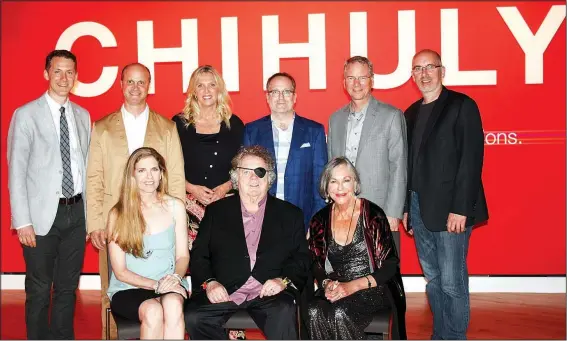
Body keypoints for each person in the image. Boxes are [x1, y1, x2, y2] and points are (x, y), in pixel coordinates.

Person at [86, 63, 186, 339]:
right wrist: (95, 222)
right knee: (114, 288)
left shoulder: (166, 126)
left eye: (141, 82)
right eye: (130, 81)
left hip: (159, 215)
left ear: (149, 86)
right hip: (114, 222)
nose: (135, 87)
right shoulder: (103, 127)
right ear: (121, 84)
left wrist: (174, 217)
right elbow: (93, 177)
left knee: (165, 304)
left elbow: (175, 175)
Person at [403, 49, 489, 340]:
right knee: (434, 281)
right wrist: (406, 206)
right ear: (412, 75)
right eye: (418, 69)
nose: (424, 73)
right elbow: (409, 165)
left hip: (452, 210)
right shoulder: (411, 112)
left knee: (452, 282)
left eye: (430, 67)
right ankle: (440, 335)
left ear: (442, 71)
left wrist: (461, 208)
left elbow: (471, 159)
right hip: (418, 207)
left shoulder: (462, 105)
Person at [7, 49, 91, 339]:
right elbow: (15, 171)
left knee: (68, 289)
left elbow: (86, 167)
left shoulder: (82, 115)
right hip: (42, 217)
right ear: (46, 74)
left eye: (69, 72)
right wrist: (22, 221)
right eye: (57, 71)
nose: (63, 78)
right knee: (40, 289)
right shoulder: (26, 115)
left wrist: (90, 217)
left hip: (76, 215)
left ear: (76, 77)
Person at [185, 145, 310, 340]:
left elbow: (301, 259)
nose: (253, 178)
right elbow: (200, 255)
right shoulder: (216, 212)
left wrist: (282, 281)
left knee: (285, 310)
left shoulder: (291, 214)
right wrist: (210, 283)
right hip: (225, 290)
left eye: (260, 172)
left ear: (269, 179)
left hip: (269, 293)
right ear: (235, 178)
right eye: (246, 172)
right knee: (194, 316)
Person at [306, 157, 407, 340]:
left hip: (371, 286)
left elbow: (390, 265)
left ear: (355, 183)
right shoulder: (319, 220)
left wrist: (352, 286)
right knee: (312, 311)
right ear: (326, 187)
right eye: (334, 182)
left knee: (340, 313)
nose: (340, 188)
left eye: (346, 180)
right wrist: (326, 284)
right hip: (336, 285)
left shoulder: (373, 214)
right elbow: (316, 264)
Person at [106, 147, 189, 339]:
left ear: (161, 173)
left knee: (173, 305)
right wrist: (157, 285)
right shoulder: (118, 214)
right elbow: (120, 272)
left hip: (171, 283)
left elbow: (183, 256)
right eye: (142, 170)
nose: (149, 176)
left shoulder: (175, 206)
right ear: (132, 175)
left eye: (154, 169)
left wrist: (175, 278)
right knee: (153, 311)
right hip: (129, 288)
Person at [327, 56, 408, 232]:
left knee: (378, 260)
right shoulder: (335, 119)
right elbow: (331, 167)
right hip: (342, 213)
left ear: (372, 81)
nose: (356, 83)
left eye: (362, 77)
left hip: (379, 211)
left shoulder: (391, 116)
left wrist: (393, 212)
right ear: (344, 82)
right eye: (351, 78)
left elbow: (399, 166)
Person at [172, 64, 244, 249]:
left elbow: (242, 165)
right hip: (187, 205)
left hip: (226, 202)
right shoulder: (178, 124)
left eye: (211, 85)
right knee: (193, 258)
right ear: (193, 90)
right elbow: (168, 165)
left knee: (224, 256)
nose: (206, 90)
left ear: (219, 89)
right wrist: (191, 188)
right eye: (200, 85)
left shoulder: (234, 124)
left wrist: (225, 188)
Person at [243, 72, 327, 229]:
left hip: (303, 220)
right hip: (261, 220)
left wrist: (315, 226)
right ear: (267, 97)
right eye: (275, 92)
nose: (280, 97)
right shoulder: (252, 131)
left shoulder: (314, 131)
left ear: (295, 97)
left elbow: (320, 182)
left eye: (286, 92)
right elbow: (245, 180)